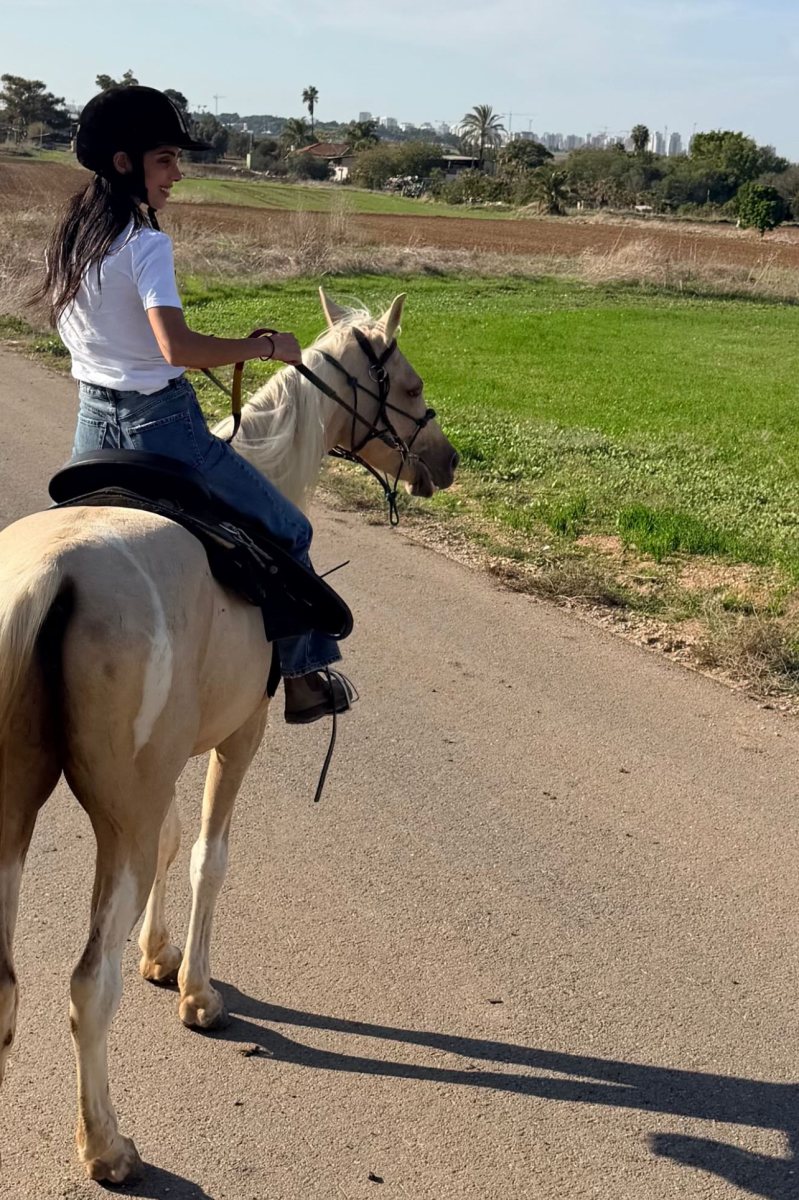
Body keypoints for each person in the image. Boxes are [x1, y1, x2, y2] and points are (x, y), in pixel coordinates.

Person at [34, 85, 354, 725]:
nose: (178, 174)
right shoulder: (146, 244)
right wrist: (262, 346)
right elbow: (175, 347)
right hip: (162, 429)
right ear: (124, 164)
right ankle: (305, 675)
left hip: (93, 427)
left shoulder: (73, 243)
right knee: (291, 530)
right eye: (165, 160)